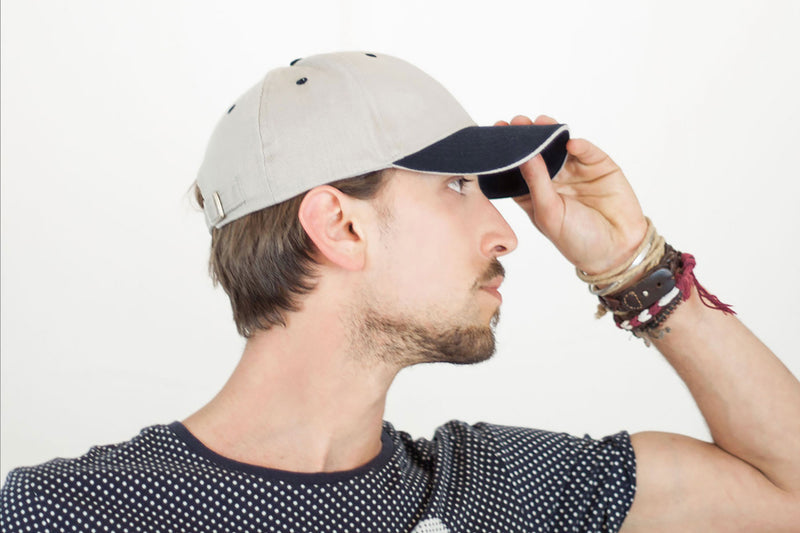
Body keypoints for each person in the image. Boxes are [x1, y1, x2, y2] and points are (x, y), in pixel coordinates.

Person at [1, 51, 798, 532]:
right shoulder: (67, 513)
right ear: (340, 226)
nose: (508, 233)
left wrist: (634, 266)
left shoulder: (488, 489)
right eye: (456, 185)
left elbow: (786, 496)